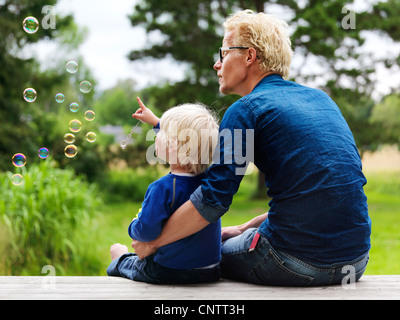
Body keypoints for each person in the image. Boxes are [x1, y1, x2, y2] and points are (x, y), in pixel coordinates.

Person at [131, 10, 371, 287]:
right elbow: (326, 190)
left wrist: (154, 242)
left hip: (291, 262)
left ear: (249, 56)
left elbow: (213, 200)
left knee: (199, 255)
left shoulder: (245, 110)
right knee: (232, 240)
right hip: (355, 261)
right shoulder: (321, 100)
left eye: (222, 54)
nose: (216, 65)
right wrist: (246, 229)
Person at [107, 98, 221, 284]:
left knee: (130, 262)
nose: (157, 135)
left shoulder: (162, 188)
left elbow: (146, 233)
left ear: (172, 146)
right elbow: (189, 140)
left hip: (170, 271)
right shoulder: (211, 181)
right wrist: (156, 122)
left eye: (161, 132)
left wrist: (134, 224)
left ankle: (118, 260)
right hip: (210, 270)